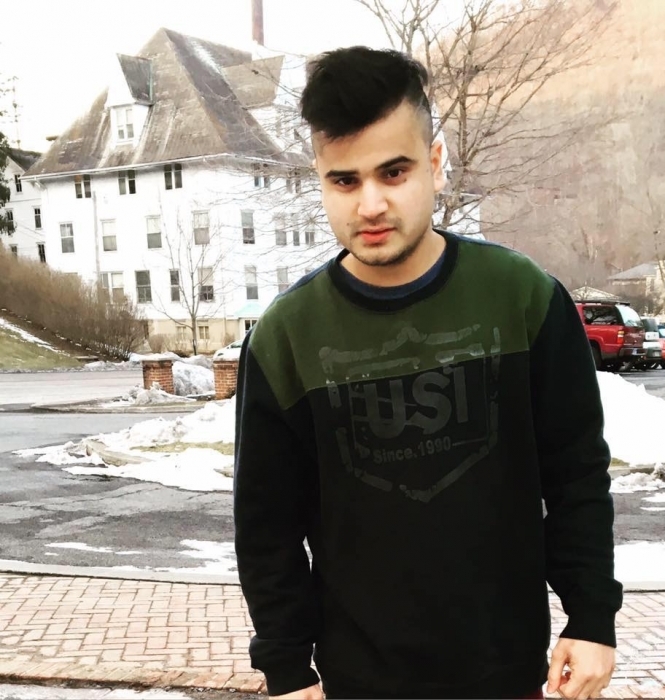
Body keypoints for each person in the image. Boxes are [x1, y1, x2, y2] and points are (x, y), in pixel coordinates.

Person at [233, 46, 623, 700]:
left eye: (394, 171)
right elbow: (266, 527)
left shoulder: (521, 297)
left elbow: (577, 472)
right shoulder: (286, 337)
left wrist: (591, 618)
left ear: (436, 164)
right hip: (358, 683)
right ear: (320, 180)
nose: (371, 204)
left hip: (506, 675)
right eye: (345, 181)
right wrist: (287, 668)